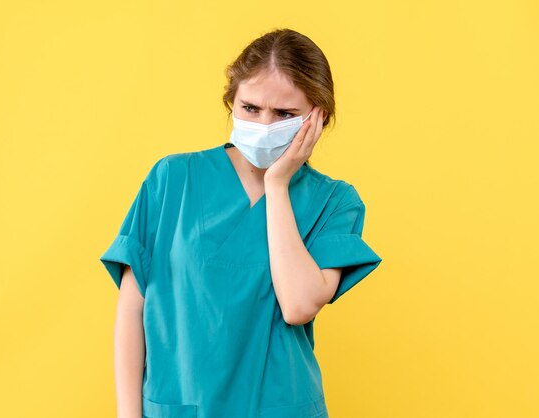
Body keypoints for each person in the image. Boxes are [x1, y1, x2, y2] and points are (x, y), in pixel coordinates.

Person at [100, 28, 383, 418]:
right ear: (231, 102)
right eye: (250, 108)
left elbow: (299, 305)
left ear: (319, 117)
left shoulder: (334, 202)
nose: (265, 125)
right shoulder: (172, 179)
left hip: (280, 406)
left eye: (285, 114)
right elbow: (133, 307)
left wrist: (278, 184)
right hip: (179, 406)